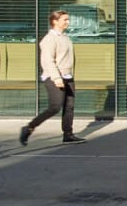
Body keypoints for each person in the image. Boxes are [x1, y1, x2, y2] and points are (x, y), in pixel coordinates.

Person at [20, 9, 83, 145]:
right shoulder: (49, 39)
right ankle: (29, 127)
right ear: (55, 21)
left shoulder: (65, 37)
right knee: (55, 107)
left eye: (68, 19)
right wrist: (56, 78)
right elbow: (48, 61)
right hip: (54, 77)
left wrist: (68, 76)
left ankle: (68, 134)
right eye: (65, 19)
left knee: (69, 106)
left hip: (67, 76)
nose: (68, 22)